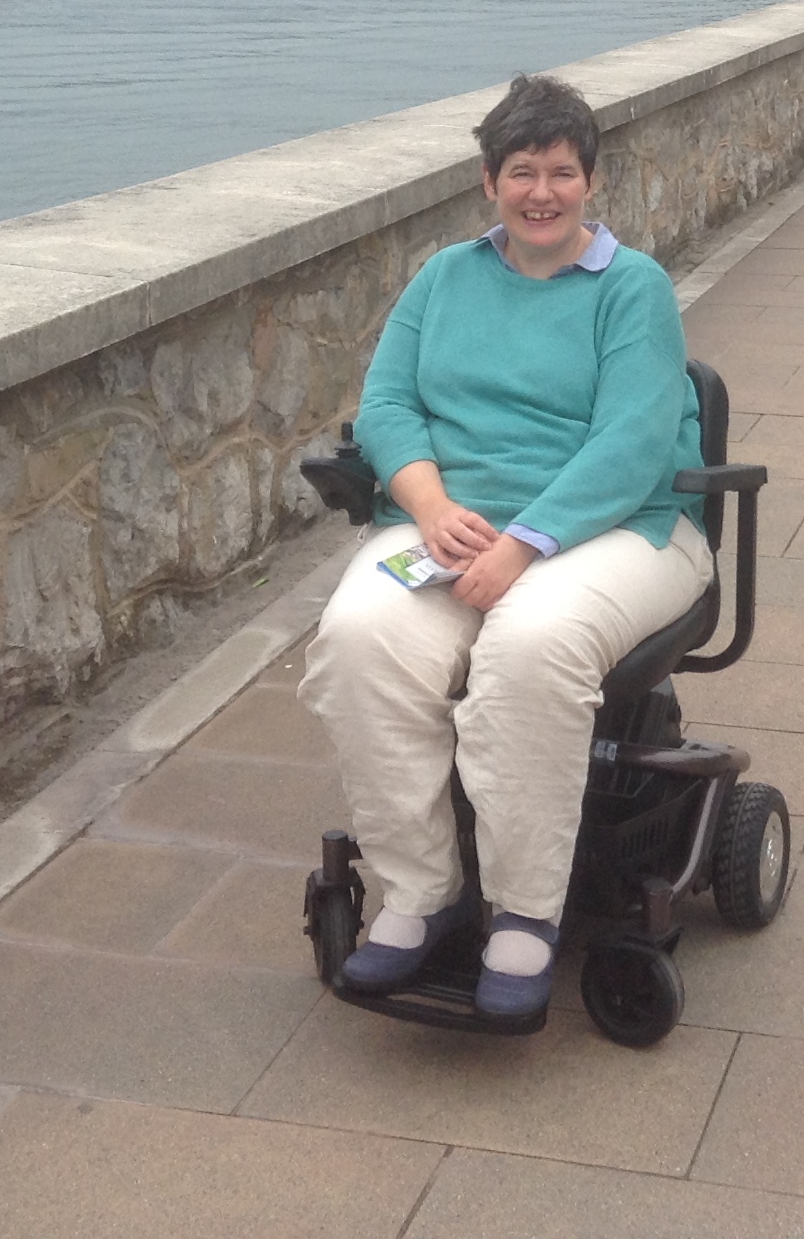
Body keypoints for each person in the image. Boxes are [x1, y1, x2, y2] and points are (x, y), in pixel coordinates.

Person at [299, 74, 713, 1021]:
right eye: (520, 172)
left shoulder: (632, 289)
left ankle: (524, 912)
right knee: (360, 638)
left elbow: (634, 442)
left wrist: (524, 546)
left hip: (618, 529)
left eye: (561, 173)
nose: (541, 193)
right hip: (454, 525)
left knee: (529, 649)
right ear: (487, 180)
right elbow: (389, 408)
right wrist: (430, 504)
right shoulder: (444, 278)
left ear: (591, 183)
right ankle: (422, 893)